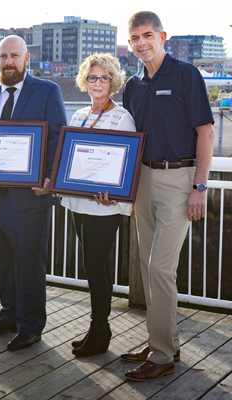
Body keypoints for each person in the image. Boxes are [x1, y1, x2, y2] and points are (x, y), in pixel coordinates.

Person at [121, 11, 214, 381]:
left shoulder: (186, 75)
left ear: (163, 36)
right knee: (148, 267)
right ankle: (166, 340)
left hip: (179, 180)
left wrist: (200, 188)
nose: (142, 43)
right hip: (142, 181)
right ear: (130, 44)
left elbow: (205, 133)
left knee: (160, 268)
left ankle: (161, 357)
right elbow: (127, 143)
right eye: (135, 38)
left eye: (148, 35)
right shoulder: (132, 85)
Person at [0, 35, 67, 350]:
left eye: (14, 56)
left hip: (29, 197)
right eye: (3, 56)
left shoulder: (47, 91)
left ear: (27, 60)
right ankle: (8, 316)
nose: (8, 62)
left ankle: (30, 326)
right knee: (2, 262)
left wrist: (50, 179)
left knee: (28, 263)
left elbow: (57, 139)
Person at [60, 54, 136, 357]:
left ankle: (101, 330)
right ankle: (97, 329)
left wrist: (113, 192)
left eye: (103, 78)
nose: (97, 83)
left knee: (96, 267)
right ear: (84, 81)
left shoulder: (122, 117)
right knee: (95, 266)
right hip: (79, 201)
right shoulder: (78, 115)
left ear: (113, 82)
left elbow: (126, 165)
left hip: (104, 206)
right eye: (92, 77)